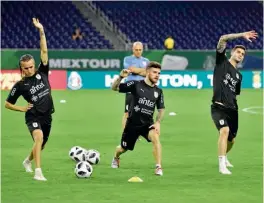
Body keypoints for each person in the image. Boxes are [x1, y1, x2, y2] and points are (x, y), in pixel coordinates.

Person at [5, 18, 55, 181]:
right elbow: (7, 104)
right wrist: (22, 109)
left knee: (41, 144)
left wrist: (41, 31)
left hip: (47, 115)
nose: (29, 70)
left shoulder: (42, 72)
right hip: (33, 116)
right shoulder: (20, 85)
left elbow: (44, 51)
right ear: (21, 68)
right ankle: (38, 172)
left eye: (31, 66)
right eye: (25, 68)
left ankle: (27, 161)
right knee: (39, 138)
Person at [211, 30, 258, 175]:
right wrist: (242, 35)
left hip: (233, 109)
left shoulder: (239, 75)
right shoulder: (221, 62)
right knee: (224, 131)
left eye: (242, 54)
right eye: (238, 52)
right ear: (232, 52)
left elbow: (235, 93)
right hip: (218, 106)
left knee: (232, 140)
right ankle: (221, 165)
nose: (240, 55)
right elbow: (222, 38)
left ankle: (225, 156)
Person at [111, 62, 165, 176]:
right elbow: (114, 88)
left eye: (159, 73)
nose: (157, 75)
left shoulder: (158, 91)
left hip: (147, 124)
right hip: (132, 125)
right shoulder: (135, 85)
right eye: (154, 72)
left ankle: (158, 167)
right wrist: (120, 77)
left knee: (155, 137)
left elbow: (161, 109)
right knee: (123, 148)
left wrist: (158, 122)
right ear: (147, 72)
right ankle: (116, 157)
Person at [122, 41, 150, 129]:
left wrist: (136, 71)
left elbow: (147, 74)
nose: (138, 51)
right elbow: (130, 69)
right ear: (133, 50)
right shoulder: (127, 59)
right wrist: (142, 71)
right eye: (136, 50)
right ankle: (125, 134)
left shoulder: (146, 61)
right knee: (127, 113)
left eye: (140, 50)